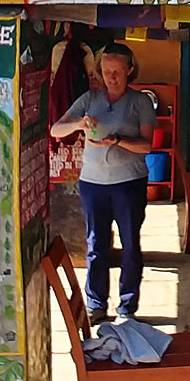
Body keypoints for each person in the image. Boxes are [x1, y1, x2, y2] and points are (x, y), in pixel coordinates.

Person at [50, 44, 157, 321]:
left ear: (129, 70)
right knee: (96, 244)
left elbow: (146, 145)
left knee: (130, 245)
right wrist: (78, 125)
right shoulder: (89, 99)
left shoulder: (140, 102)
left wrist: (118, 140)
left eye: (117, 72)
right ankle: (96, 304)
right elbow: (56, 129)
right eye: (107, 71)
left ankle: (127, 307)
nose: (112, 77)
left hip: (129, 182)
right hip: (93, 183)